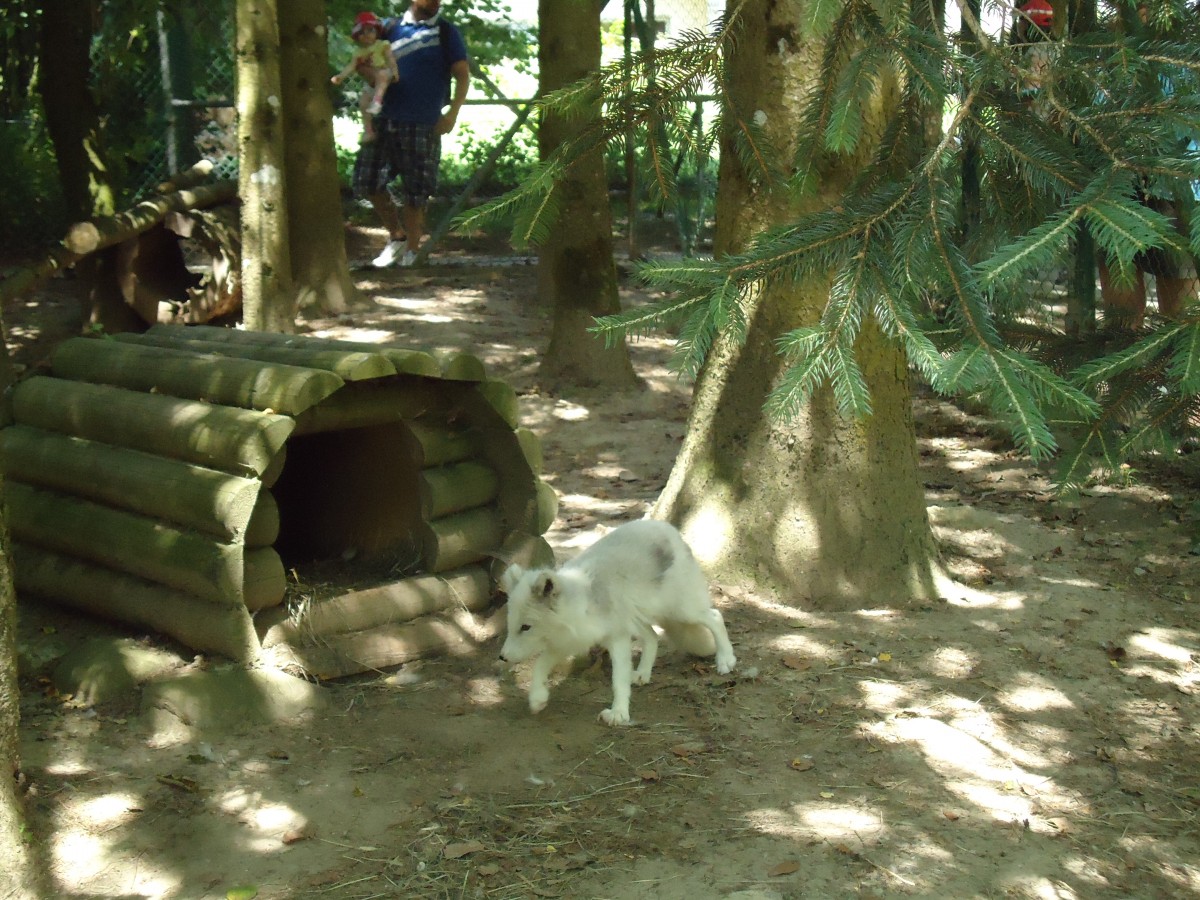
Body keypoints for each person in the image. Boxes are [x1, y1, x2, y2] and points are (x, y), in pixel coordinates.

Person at [352, 0, 470, 268]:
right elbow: (362, 60)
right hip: (383, 119)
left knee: (416, 190)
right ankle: (397, 237)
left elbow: (463, 75)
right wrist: (373, 75)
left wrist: (452, 114)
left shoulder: (445, 32)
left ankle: (413, 253)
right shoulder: (387, 28)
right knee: (367, 180)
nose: (436, 2)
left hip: (423, 122)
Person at [331, 12, 399, 143]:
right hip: (371, 81)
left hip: (384, 72)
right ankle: (368, 131)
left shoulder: (382, 44)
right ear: (357, 36)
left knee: (382, 76)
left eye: (370, 30)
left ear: (377, 32)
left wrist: (395, 71)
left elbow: (390, 59)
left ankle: (377, 101)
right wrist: (341, 76)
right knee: (363, 102)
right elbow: (351, 66)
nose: (366, 34)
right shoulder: (359, 53)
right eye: (362, 32)